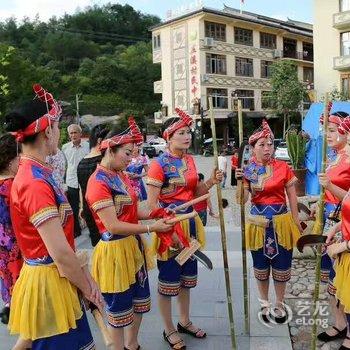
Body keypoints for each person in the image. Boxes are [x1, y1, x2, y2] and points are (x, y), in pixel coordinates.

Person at [6, 84, 103, 349]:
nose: (59, 133)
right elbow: (59, 253)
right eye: (58, 127)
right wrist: (88, 287)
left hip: (56, 279)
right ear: (47, 131)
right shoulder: (34, 182)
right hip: (50, 284)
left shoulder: (39, 173)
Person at [86, 124, 173, 350]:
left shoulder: (121, 175)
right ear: (109, 151)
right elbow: (113, 226)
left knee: (139, 302)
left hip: (133, 247)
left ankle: (132, 345)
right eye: (127, 154)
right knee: (118, 308)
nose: (131, 159)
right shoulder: (97, 182)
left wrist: (159, 212)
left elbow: (134, 213)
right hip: (114, 251)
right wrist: (151, 228)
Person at [146, 108, 223, 350]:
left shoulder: (189, 160)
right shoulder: (158, 165)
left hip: (190, 225)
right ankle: (168, 329)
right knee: (168, 280)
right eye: (181, 132)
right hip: (170, 229)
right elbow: (151, 206)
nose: (187, 136)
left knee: (186, 279)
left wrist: (211, 181)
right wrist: (167, 227)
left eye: (188, 131)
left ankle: (184, 321)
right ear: (168, 137)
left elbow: (196, 193)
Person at [235, 120, 302, 323]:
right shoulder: (247, 169)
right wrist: (239, 181)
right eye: (262, 145)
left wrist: (296, 221)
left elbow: (292, 196)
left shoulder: (283, 167)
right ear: (253, 148)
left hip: (281, 223)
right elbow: (242, 200)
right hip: (258, 225)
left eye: (270, 144)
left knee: (282, 267)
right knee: (261, 267)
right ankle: (264, 303)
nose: (267, 148)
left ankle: (280, 303)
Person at [317, 114, 350, 344]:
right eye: (325, 130)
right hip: (331, 218)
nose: (326, 134)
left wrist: (329, 186)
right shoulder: (335, 156)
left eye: (331, 130)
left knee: (345, 277)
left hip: (345, 219)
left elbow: (348, 199)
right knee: (331, 278)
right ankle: (339, 323)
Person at [0, 133, 22, 325]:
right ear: (10, 160)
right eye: (19, 157)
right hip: (20, 252)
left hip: (3, 254)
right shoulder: (13, 187)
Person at [77, 124, 109, 247]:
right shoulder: (104, 162)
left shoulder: (81, 163)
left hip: (88, 208)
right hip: (104, 209)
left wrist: (81, 208)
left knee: (97, 246)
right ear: (101, 141)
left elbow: (81, 188)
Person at [62, 124, 89, 237]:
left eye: (75, 132)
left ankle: (92, 229)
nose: (73, 135)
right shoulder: (65, 148)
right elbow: (64, 165)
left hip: (85, 180)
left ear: (80, 134)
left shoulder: (88, 146)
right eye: (71, 133)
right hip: (71, 181)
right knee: (73, 207)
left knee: (87, 205)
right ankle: (76, 230)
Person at [126, 117, 149, 201]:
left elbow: (148, 171)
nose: (134, 148)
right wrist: (127, 174)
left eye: (136, 146)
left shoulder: (143, 158)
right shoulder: (126, 156)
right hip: (126, 183)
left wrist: (138, 176)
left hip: (138, 184)